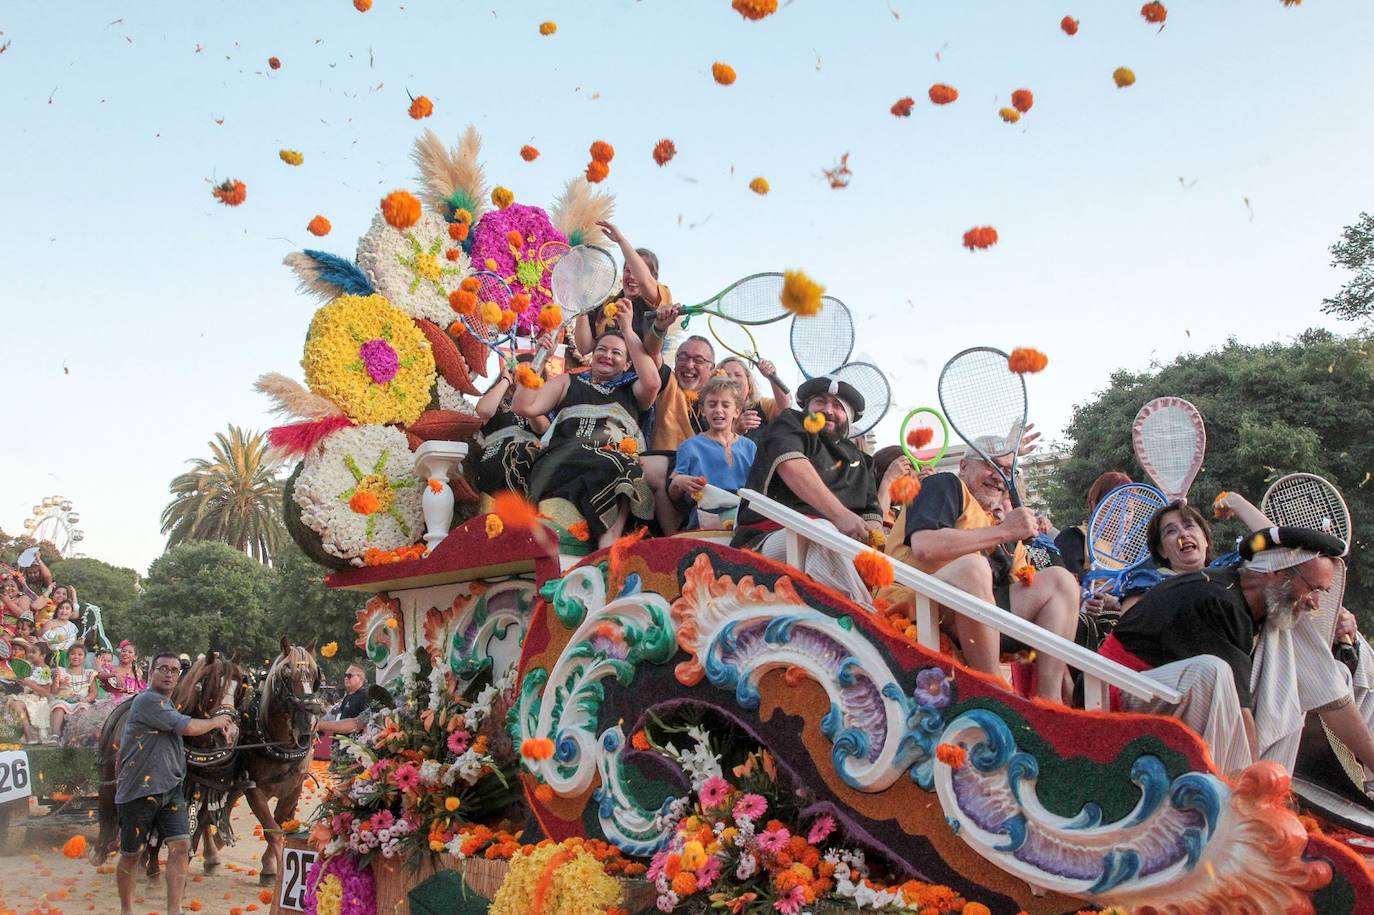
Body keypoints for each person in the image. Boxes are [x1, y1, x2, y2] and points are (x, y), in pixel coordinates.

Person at [1101, 526, 1355, 778]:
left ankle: (1274, 787)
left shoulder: (1253, 602)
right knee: (1212, 673)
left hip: (1161, 695)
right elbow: (1239, 709)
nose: (1315, 602)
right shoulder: (1216, 598)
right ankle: (1238, 796)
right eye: (1313, 589)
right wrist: (1255, 781)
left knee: (1286, 681)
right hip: (1116, 691)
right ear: (1276, 571)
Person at [883, 443, 1080, 703]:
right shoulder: (944, 484)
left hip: (972, 616)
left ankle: (1050, 702)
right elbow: (925, 546)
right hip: (912, 602)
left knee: (1060, 581)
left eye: (1008, 469)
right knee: (973, 568)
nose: (1000, 476)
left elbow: (1023, 602)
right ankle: (995, 695)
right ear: (964, 466)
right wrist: (1006, 532)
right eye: (991, 464)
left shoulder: (1002, 527)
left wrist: (1062, 667)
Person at [732, 375, 882, 604]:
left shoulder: (862, 460)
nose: (828, 410)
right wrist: (840, 516)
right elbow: (791, 466)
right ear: (808, 408)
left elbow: (872, 516)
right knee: (820, 531)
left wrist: (871, 543)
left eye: (838, 405)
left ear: (849, 417)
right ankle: (866, 619)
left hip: (834, 549)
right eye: (820, 402)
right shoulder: (791, 422)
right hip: (767, 540)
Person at [516, 318, 661, 548]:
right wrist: (539, 358)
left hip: (609, 464)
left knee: (626, 466)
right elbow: (524, 406)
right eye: (601, 349)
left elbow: (653, 382)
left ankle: (609, 544)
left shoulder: (632, 390)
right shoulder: (567, 381)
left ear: (626, 365)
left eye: (617, 353)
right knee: (619, 463)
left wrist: (627, 329)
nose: (607, 355)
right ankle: (608, 543)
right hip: (563, 461)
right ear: (592, 355)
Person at [116, 653, 236, 915]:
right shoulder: (148, 700)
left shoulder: (170, 705)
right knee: (131, 854)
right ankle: (127, 909)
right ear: (151, 673)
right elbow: (188, 728)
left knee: (181, 847)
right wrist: (216, 722)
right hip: (140, 790)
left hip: (170, 790)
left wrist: (219, 732)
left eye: (174, 670)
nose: (169, 674)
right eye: (163, 669)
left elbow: (190, 729)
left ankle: (174, 910)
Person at [668, 376, 757, 530]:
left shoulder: (750, 447)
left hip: (744, 522)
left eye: (725, 405)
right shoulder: (689, 447)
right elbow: (673, 494)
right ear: (703, 410)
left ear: (737, 411)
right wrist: (678, 481)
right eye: (712, 404)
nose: (718, 410)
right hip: (704, 524)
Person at [571, 221, 672, 354]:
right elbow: (584, 348)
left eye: (635, 271)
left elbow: (644, 282)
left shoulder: (658, 300)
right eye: (627, 271)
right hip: (607, 373)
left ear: (654, 276)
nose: (631, 277)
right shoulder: (605, 303)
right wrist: (582, 307)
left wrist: (621, 241)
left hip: (641, 373)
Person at [472, 355, 549, 497]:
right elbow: (483, 411)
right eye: (521, 371)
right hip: (494, 466)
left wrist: (528, 398)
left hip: (527, 471)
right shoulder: (500, 402)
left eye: (532, 373)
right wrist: (506, 379)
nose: (526, 375)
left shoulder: (541, 408)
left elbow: (542, 428)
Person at [717, 356, 792, 440]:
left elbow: (785, 407)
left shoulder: (762, 405)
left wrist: (772, 376)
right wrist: (736, 430)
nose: (733, 379)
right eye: (727, 375)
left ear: (748, 382)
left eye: (738, 375)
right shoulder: (713, 411)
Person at [6, 640, 54, 743]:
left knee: (16, 705)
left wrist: (28, 683)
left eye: (33, 652)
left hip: (38, 700)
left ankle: (29, 736)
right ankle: (25, 734)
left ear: (42, 655)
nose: (30, 654)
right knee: (11, 702)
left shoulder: (45, 670)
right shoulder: (29, 666)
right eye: (30, 652)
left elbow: (46, 693)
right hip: (26, 697)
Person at [49, 643, 97, 740]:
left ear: (84, 658)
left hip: (81, 701)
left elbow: (93, 691)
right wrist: (56, 680)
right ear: (68, 656)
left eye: (80, 654)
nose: (76, 656)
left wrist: (87, 699)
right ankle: (54, 734)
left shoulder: (88, 674)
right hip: (64, 700)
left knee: (82, 708)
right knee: (59, 707)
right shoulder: (61, 671)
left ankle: (77, 736)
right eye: (73, 654)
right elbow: (54, 691)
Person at [317, 664, 369, 736]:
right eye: (345, 675)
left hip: (354, 744)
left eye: (349, 675)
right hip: (339, 741)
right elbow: (338, 718)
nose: (346, 678)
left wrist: (319, 725)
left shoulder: (365, 695)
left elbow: (365, 724)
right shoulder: (347, 697)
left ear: (360, 678)